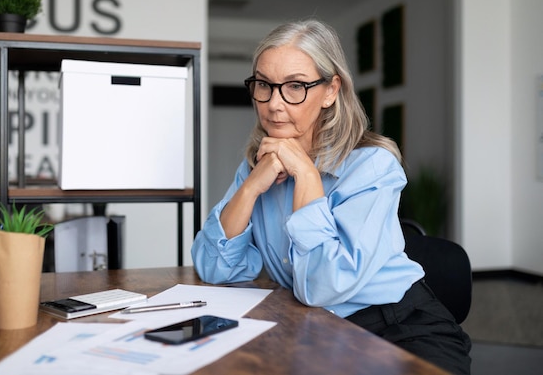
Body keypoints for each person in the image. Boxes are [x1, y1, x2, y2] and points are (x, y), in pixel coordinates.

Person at [191, 19, 471, 374]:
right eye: (264, 84)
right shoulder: (257, 166)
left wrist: (307, 174)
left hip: (399, 327)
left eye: (295, 86)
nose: (274, 104)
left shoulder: (372, 166)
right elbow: (214, 267)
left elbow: (322, 287)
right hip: (310, 325)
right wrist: (250, 186)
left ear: (330, 90)